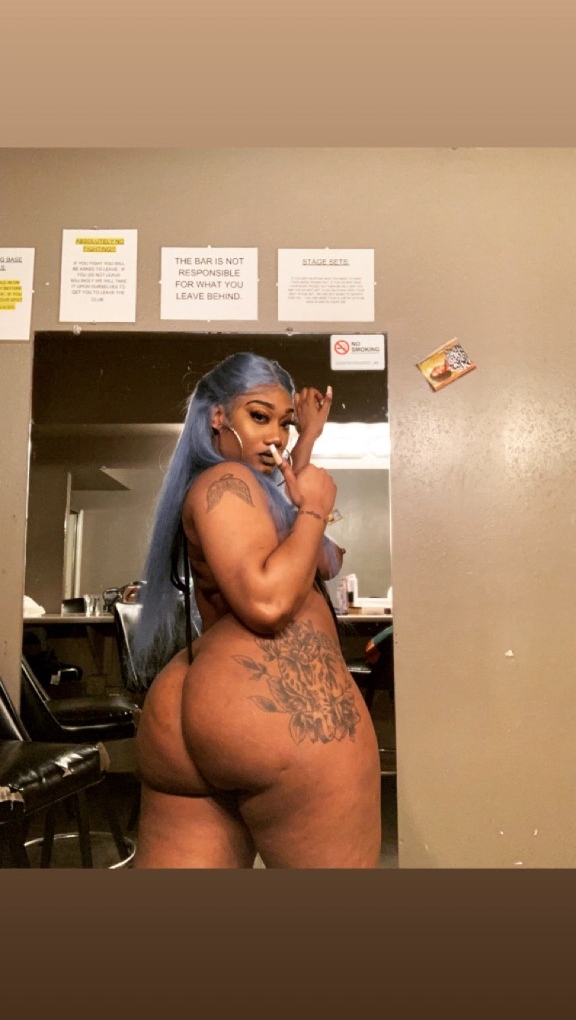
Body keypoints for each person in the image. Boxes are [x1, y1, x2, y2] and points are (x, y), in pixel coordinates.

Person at [132, 352, 381, 868]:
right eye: (260, 416)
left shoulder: (245, 491)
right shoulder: (226, 482)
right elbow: (267, 602)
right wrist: (315, 506)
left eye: (284, 423)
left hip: (189, 707)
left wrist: (305, 446)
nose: (276, 437)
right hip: (274, 710)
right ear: (217, 417)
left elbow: (320, 560)